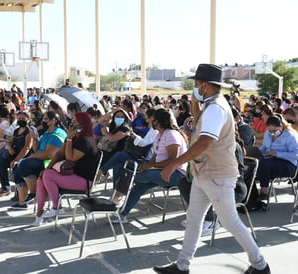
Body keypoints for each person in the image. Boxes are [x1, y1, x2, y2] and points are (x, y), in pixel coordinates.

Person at [156, 64, 270, 274]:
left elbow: (205, 142)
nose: (195, 87)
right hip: (205, 174)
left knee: (230, 222)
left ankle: (260, 265)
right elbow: (200, 125)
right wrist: (193, 104)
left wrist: (175, 162)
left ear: (205, 85)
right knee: (194, 220)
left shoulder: (216, 108)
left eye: (196, 84)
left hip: (216, 175)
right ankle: (182, 266)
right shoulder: (210, 105)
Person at [110, 108, 188, 224]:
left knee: (131, 177)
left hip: (175, 174)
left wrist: (150, 167)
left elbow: (173, 160)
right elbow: (155, 155)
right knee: (139, 185)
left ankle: (118, 194)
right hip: (160, 171)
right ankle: (122, 214)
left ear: (157, 121)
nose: (148, 121)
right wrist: (148, 165)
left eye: (151, 119)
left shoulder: (172, 135)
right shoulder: (159, 135)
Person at [31, 112, 98, 226]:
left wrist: (69, 140)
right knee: (43, 176)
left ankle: (57, 207)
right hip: (72, 176)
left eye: (75, 121)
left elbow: (70, 158)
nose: (72, 123)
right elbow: (59, 154)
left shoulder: (86, 141)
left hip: (85, 181)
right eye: (72, 120)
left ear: (83, 124)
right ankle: (39, 214)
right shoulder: (75, 138)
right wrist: (48, 167)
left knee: (48, 175)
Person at [11, 111, 67, 209]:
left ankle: (33, 193)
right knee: (17, 168)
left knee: (23, 165)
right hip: (39, 158)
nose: (43, 122)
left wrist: (33, 156)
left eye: (45, 119)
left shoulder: (57, 133)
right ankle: (22, 202)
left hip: (49, 163)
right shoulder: (47, 133)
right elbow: (37, 149)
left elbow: (49, 154)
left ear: (53, 121)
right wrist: (35, 139)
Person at [256, 115, 298, 200]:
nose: (272, 133)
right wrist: (257, 153)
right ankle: (251, 195)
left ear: (281, 126)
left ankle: (264, 192)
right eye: (270, 131)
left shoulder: (290, 136)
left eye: (274, 131)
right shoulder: (268, 133)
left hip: (289, 165)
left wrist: (277, 154)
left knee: (264, 163)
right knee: (255, 163)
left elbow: (295, 155)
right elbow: (265, 147)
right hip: (272, 161)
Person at [0, 111, 37, 197]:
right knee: (2, 162)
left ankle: (20, 193)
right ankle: (6, 188)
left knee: (17, 167)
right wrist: (10, 147)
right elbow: (11, 141)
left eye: (23, 118)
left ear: (28, 119)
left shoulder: (29, 130)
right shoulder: (16, 130)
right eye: (19, 119)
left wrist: (15, 160)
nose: (20, 120)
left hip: (26, 156)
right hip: (16, 153)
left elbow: (27, 147)